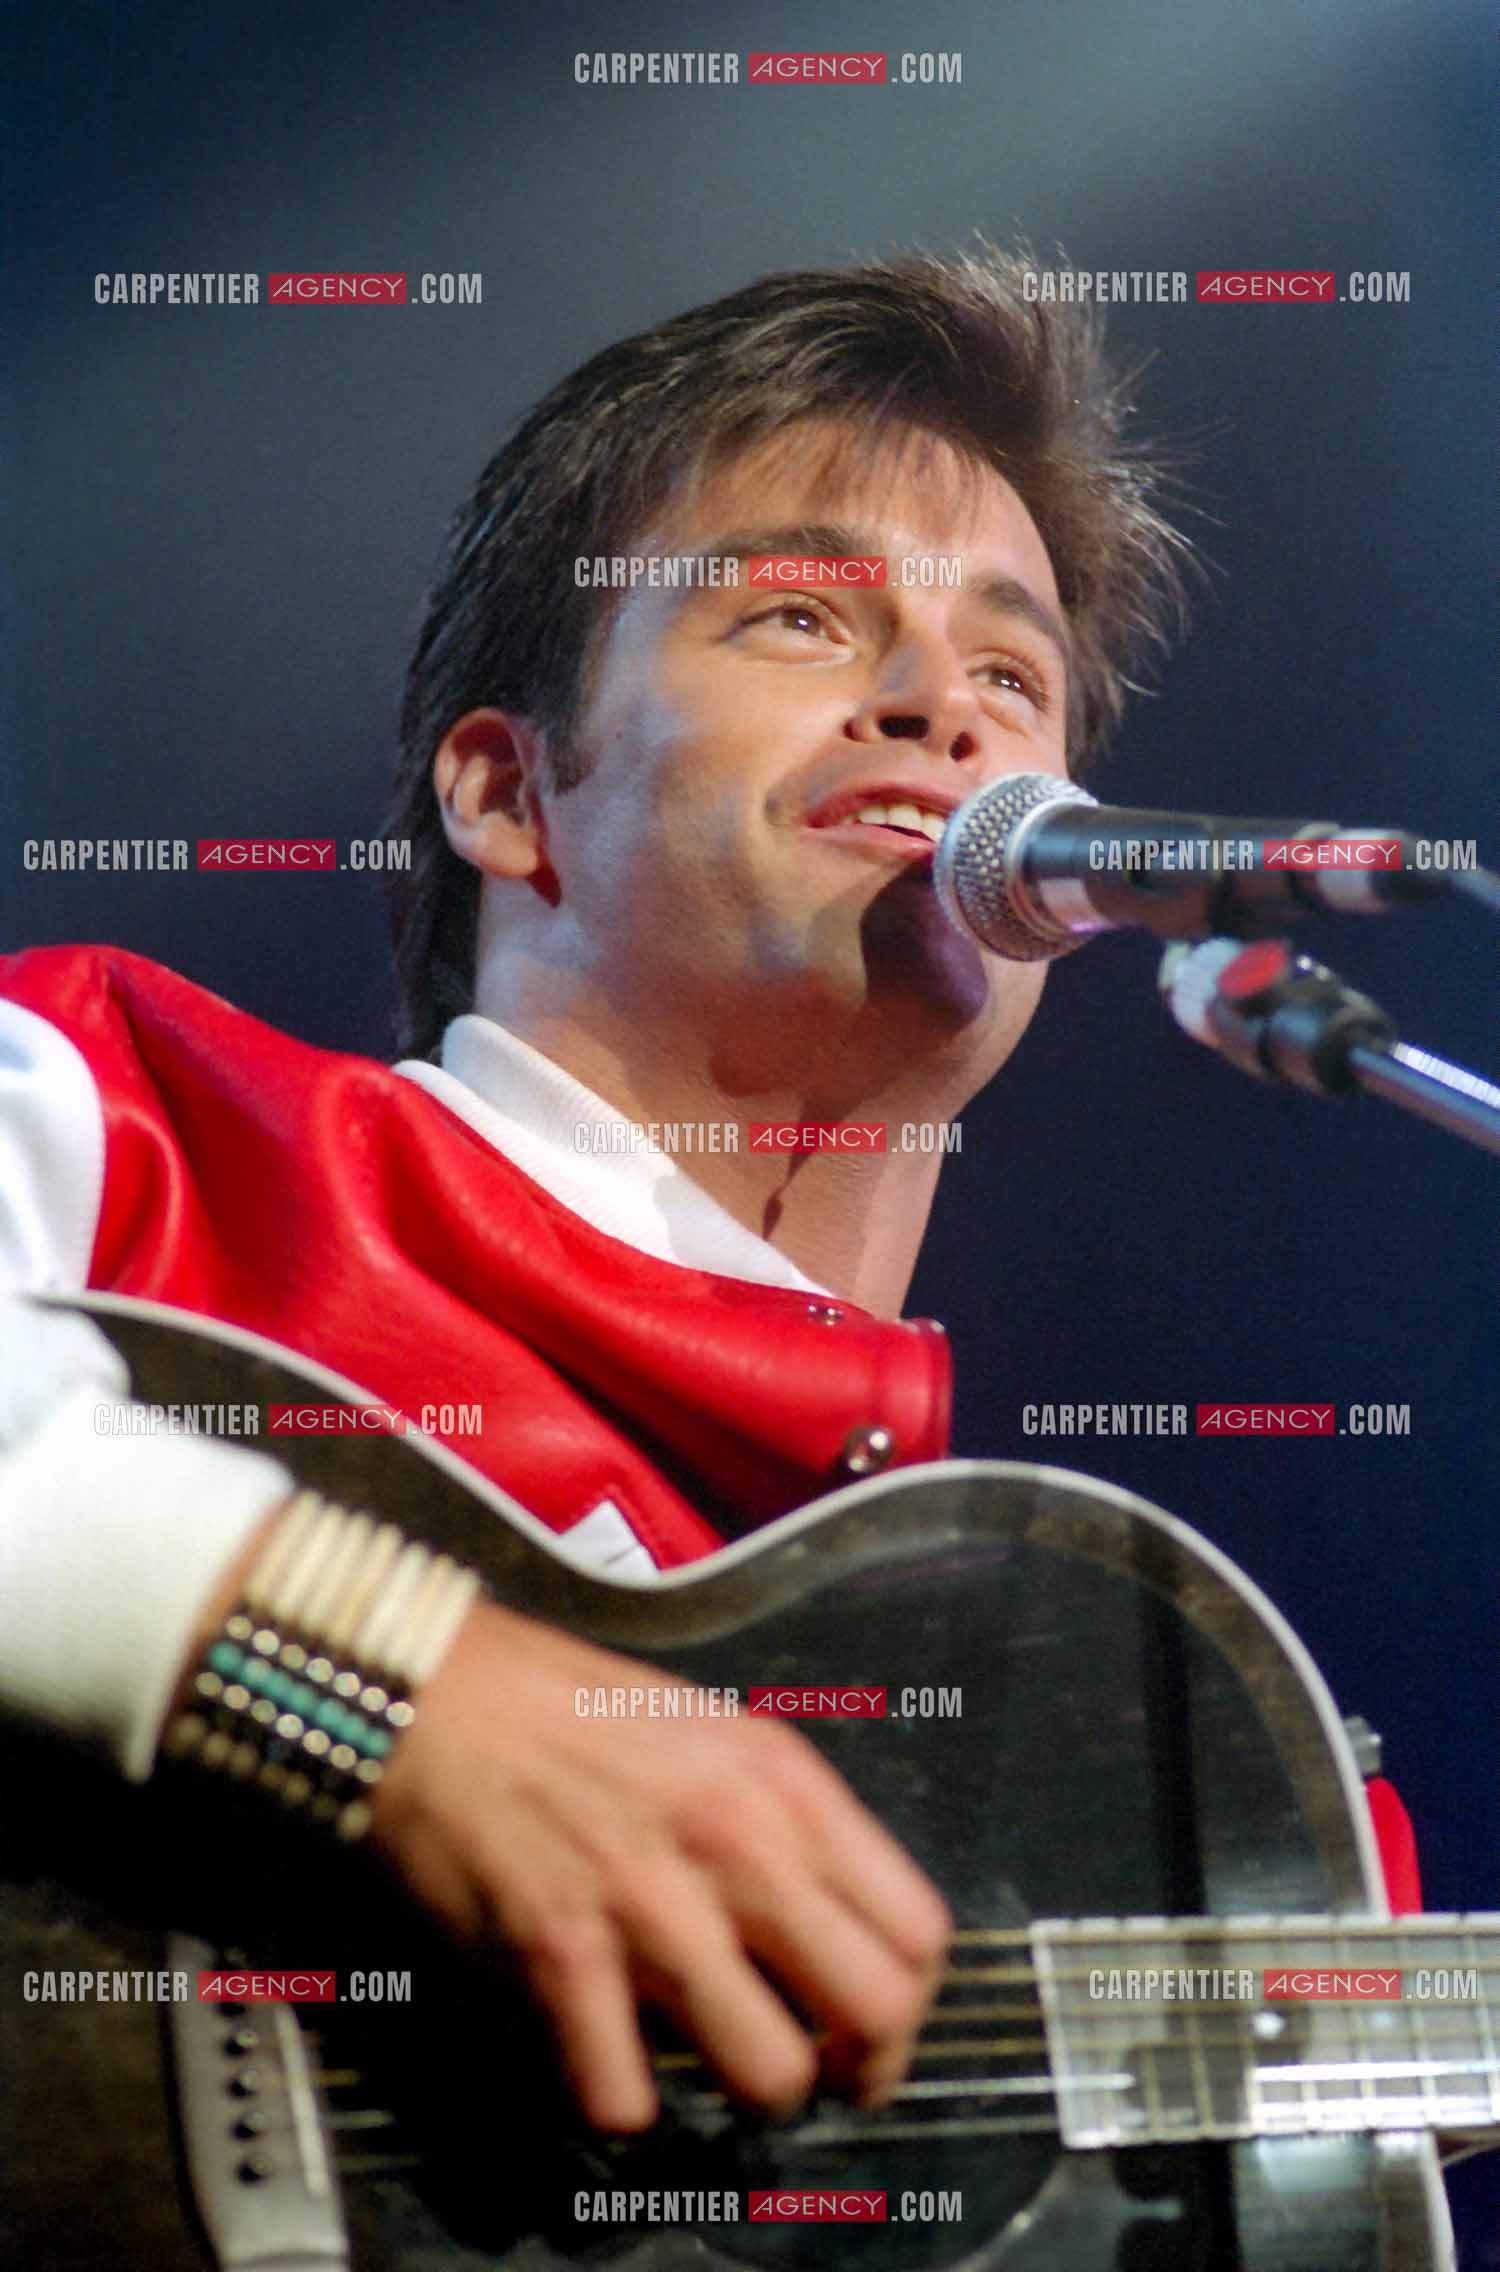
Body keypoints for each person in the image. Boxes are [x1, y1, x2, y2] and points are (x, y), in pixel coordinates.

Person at [5, 244, 1349, 2148]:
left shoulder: (1077, 1692)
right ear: (507, 792)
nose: (938, 708)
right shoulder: (130, 1117)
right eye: (803, 619)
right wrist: (389, 1694)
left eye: (1010, 670)